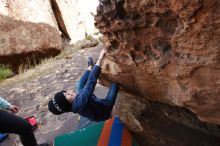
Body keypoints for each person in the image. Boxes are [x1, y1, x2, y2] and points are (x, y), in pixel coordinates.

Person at [48, 49, 119, 122]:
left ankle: (90, 68)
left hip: (94, 103)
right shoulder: (80, 102)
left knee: (79, 85)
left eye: (66, 92)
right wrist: (100, 58)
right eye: (67, 95)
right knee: (115, 84)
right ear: (67, 105)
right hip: (105, 109)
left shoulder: (75, 102)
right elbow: (90, 84)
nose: (70, 92)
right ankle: (94, 70)